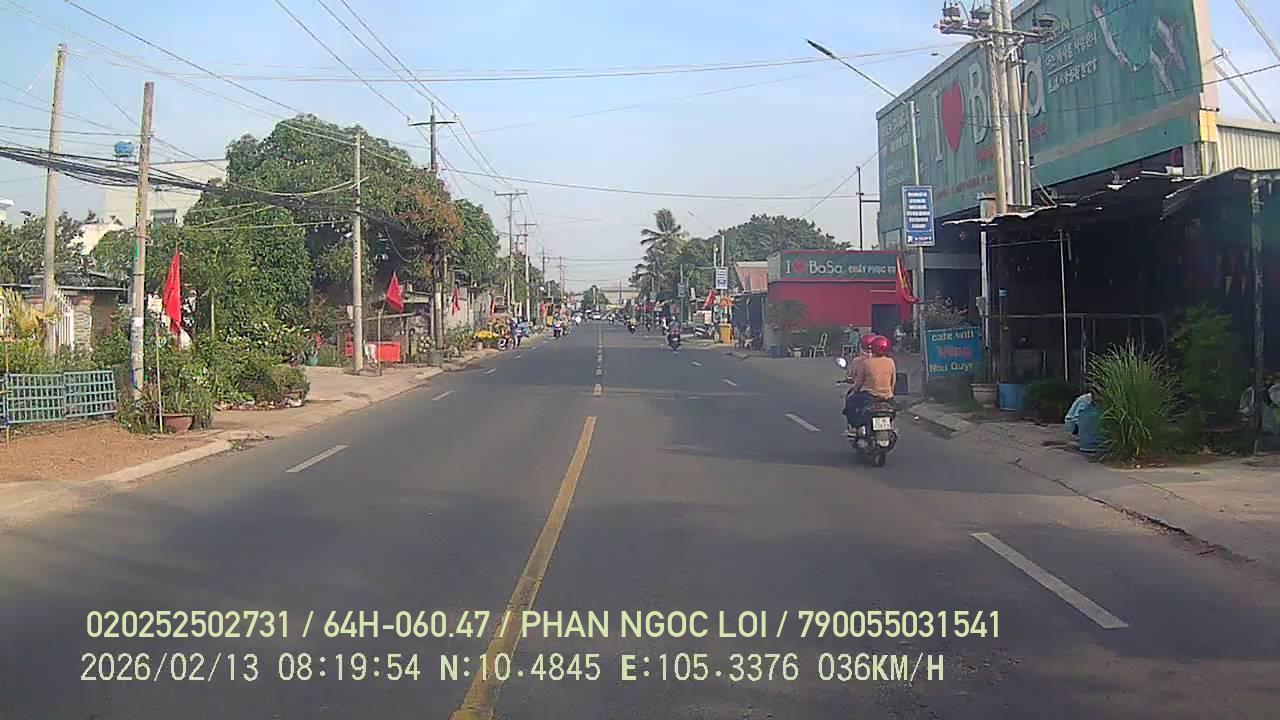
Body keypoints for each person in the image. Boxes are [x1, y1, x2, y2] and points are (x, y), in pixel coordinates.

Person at [844, 335, 896, 434]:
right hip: (887, 397)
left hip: (869, 396)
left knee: (850, 402)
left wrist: (854, 392)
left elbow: (859, 382)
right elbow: (892, 382)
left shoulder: (866, 363)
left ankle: (854, 427)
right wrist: (890, 393)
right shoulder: (890, 362)